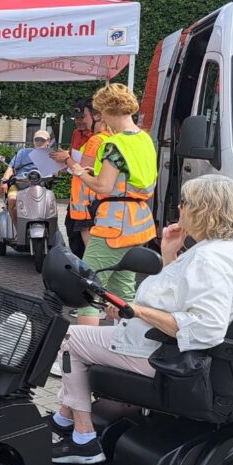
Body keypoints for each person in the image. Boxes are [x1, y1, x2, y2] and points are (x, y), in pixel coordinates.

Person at [48, 175, 233, 465]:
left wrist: (136, 311)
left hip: (167, 357)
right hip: (170, 348)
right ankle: (65, 418)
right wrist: (169, 254)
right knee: (84, 340)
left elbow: (206, 327)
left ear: (203, 210)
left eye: (184, 203)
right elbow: (183, 295)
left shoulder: (210, 259)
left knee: (71, 340)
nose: (179, 208)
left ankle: (84, 438)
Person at [66, 82, 158, 327]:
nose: (99, 116)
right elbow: (130, 178)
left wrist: (78, 172)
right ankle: (123, 343)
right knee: (123, 288)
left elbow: (104, 187)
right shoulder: (145, 139)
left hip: (113, 223)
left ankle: (83, 353)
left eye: (100, 111)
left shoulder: (114, 144)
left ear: (108, 110)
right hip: (138, 222)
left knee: (88, 286)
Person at [52, 99, 104, 258]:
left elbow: (84, 167)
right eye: (76, 118)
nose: (79, 121)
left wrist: (67, 159)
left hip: (91, 197)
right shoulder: (76, 134)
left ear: (95, 116)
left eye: (82, 117)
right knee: (73, 232)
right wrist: (62, 164)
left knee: (86, 238)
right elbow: (74, 159)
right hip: (77, 196)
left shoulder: (97, 138)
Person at [0, 130, 53, 228]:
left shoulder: (51, 155)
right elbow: (11, 167)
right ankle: (18, 229)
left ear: (48, 141)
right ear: (33, 141)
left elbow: (55, 172)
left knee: (50, 203)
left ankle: (51, 231)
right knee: (11, 199)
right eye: (37, 140)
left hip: (41, 186)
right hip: (19, 184)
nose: (39, 142)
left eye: (42, 140)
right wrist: (4, 180)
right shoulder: (22, 153)